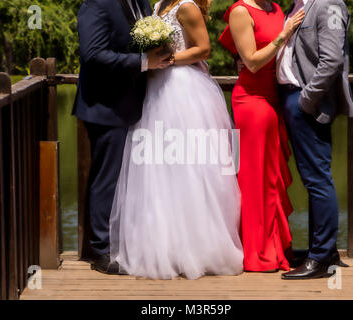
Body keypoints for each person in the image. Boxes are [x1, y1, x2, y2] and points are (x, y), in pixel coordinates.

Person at [109, 0, 244, 280]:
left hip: (182, 90)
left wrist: (169, 60)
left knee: (189, 168)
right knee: (157, 170)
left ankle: (199, 249)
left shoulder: (187, 6)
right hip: (156, 88)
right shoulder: (157, 6)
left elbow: (204, 48)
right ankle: (163, 247)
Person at [73, 0, 172, 274]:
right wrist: (144, 62)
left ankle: (125, 244)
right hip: (105, 107)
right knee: (108, 179)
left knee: (131, 179)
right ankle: (100, 252)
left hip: (135, 103)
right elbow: (92, 54)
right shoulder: (96, 4)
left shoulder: (140, 2)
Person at [219, 0, 304, 272]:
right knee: (254, 181)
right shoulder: (241, 11)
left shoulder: (277, 9)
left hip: (274, 98)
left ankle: (277, 247)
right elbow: (252, 62)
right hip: (252, 101)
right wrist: (284, 33)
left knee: (271, 180)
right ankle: (256, 252)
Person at [277, 0, 353, 280]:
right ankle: (324, 251)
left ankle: (320, 259)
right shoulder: (297, 5)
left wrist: (306, 101)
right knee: (313, 180)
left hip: (305, 102)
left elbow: (332, 60)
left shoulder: (329, 3)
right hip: (292, 100)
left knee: (317, 179)